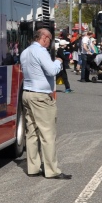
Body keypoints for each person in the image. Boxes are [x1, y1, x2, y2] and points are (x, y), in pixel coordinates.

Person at [20, 27, 70, 179]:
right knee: (47, 133)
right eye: (49, 39)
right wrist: (58, 62)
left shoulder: (25, 52)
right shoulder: (41, 51)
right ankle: (51, 170)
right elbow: (51, 71)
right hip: (40, 96)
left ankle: (33, 167)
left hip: (27, 93)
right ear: (44, 38)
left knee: (32, 132)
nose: (49, 42)